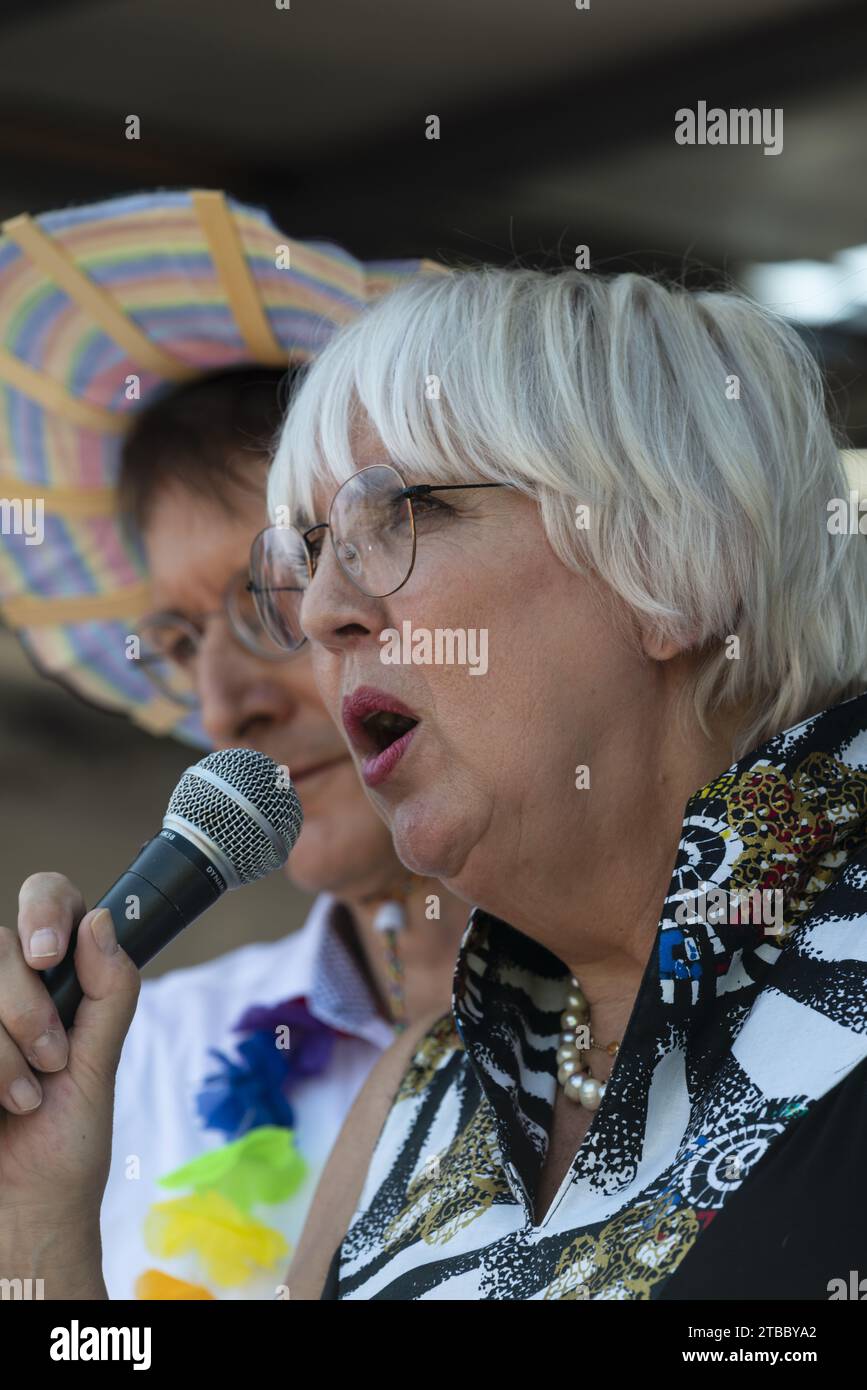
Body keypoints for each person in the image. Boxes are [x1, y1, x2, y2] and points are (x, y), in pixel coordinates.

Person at [251, 265, 866, 1300]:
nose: (320, 612)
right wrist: (37, 1207)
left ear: (674, 557)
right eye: (308, 554)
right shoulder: (413, 1096)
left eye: (403, 512)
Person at [0, 191, 466, 1300]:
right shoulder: (140, 1056)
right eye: (175, 639)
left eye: (274, 595)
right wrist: (29, 1241)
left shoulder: (683, 1002)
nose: (221, 704)